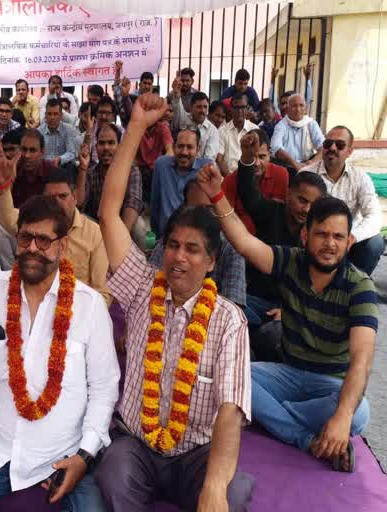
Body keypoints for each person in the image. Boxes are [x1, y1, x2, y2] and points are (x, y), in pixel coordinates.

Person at [95, 92, 252, 511]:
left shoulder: (228, 320)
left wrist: (215, 487)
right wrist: (135, 128)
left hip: (195, 454)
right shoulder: (142, 287)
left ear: (212, 261)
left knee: (233, 494)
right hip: (138, 444)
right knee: (111, 476)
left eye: (193, 249)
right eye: (174, 245)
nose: (180, 257)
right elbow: (110, 212)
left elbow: (231, 410)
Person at [0, 195, 119, 512]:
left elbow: (104, 388)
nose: (33, 248)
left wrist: (84, 457)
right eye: (26, 237)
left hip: (65, 451)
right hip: (1, 446)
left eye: (44, 240)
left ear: (62, 246)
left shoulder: (88, 305)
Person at [197, 158, 378, 474]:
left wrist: (341, 416)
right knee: (232, 374)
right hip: (288, 373)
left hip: (329, 385)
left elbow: (361, 361)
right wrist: (216, 195)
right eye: (322, 234)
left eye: (338, 237)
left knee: (358, 412)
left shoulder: (359, 286)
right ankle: (307, 438)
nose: (329, 244)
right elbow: (244, 242)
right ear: (306, 236)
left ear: (349, 242)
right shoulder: (291, 261)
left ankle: (268, 414)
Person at [230, 134, 327, 336]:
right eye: (301, 200)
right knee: (229, 310)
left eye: (313, 204)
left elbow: (318, 288)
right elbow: (249, 194)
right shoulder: (270, 211)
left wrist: (288, 311)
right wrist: (247, 158)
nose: (306, 209)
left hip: (294, 310)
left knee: (272, 333)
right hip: (256, 301)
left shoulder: (321, 236)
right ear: (289, 193)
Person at [0, 160, 112, 304]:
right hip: (33, 302)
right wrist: (2, 186)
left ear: (74, 197)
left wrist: (81, 319)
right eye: (50, 198)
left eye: (63, 196)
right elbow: (6, 217)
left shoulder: (94, 234)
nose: (57, 203)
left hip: (74, 311)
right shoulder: (33, 224)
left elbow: (102, 293)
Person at [299, 125, 385, 275]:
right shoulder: (306, 174)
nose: (332, 148)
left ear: (349, 151)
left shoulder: (360, 178)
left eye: (339, 145)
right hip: (315, 237)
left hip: (349, 241)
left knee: (375, 243)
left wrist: (351, 237)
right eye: (328, 143)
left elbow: (375, 216)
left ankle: (353, 283)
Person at [148, 179, 246, 308]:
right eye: (196, 209)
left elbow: (233, 304)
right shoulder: (171, 240)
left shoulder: (232, 247)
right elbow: (150, 283)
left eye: (209, 209)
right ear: (184, 208)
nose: (179, 256)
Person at [0, 129, 54, 269]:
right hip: (17, 226)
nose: (27, 155)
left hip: (43, 231)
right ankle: (12, 273)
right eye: (24, 149)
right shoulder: (12, 168)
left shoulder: (51, 172)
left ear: (42, 152)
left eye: (32, 150)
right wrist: (8, 181)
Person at [76, 124, 143, 235]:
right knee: (81, 219)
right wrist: (83, 168)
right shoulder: (91, 172)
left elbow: (133, 203)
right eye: (102, 143)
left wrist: (120, 237)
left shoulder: (131, 171)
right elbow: (79, 204)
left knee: (139, 226)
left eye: (111, 143)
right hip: (98, 225)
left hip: (123, 225)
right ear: (96, 147)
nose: (106, 148)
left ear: (119, 146)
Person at [222, 128, 289, 236]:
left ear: (270, 154)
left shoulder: (281, 174)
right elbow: (226, 218)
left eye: (262, 157)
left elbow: (276, 216)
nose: (257, 163)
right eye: (252, 157)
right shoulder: (230, 180)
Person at [149, 128, 211, 236]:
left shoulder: (206, 168)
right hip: (166, 237)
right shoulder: (161, 165)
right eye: (180, 146)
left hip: (196, 236)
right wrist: (155, 237)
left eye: (190, 147)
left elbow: (211, 210)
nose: (184, 152)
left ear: (198, 149)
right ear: (173, 147)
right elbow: (155, 205)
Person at [271, 93, 325, 173]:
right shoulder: (281, 125)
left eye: (301, 105)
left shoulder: (311, 123)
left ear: (305, 108)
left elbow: (323, 146)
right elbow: (275, 147)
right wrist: (295, 164)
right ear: (288, 109)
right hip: (287, 167)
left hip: (309, 166)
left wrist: (312, 162)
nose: (298, 109)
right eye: (294, 106)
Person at [171, 84, 219, 161]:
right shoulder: (183, 119)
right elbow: (177, 106)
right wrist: (176, 93)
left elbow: (209, 159)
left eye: (205, 107)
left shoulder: (212, 131)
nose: (202, 111)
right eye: (199, 107)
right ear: (191, 107)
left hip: (201, 170)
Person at [216, 92, 259, 175]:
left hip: (250, 176)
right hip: (227, 177)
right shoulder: (222, 131)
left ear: (247, 108)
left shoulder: (254, 129)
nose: (239, 111)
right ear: (231, 109)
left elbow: (258, 157)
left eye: (243, 107)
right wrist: (231, 180)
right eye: (236, 107)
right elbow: (219, 159)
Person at [135, 112, 174, 204]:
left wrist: (161, 165)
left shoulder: (163, 128)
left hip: (156, 169)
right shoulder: (136, 128)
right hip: (140, 170)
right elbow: (130, 154)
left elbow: (170, 151)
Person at [38, 98, 79, 172]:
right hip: (44, 168)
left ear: (61, 115)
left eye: (55, 114)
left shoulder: (69, 129)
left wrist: (60, 159)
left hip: (63, 167)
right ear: (45, 115)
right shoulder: (39, 131)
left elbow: (71, 153)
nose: (52, 117)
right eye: (49, 114)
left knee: (71, 166)